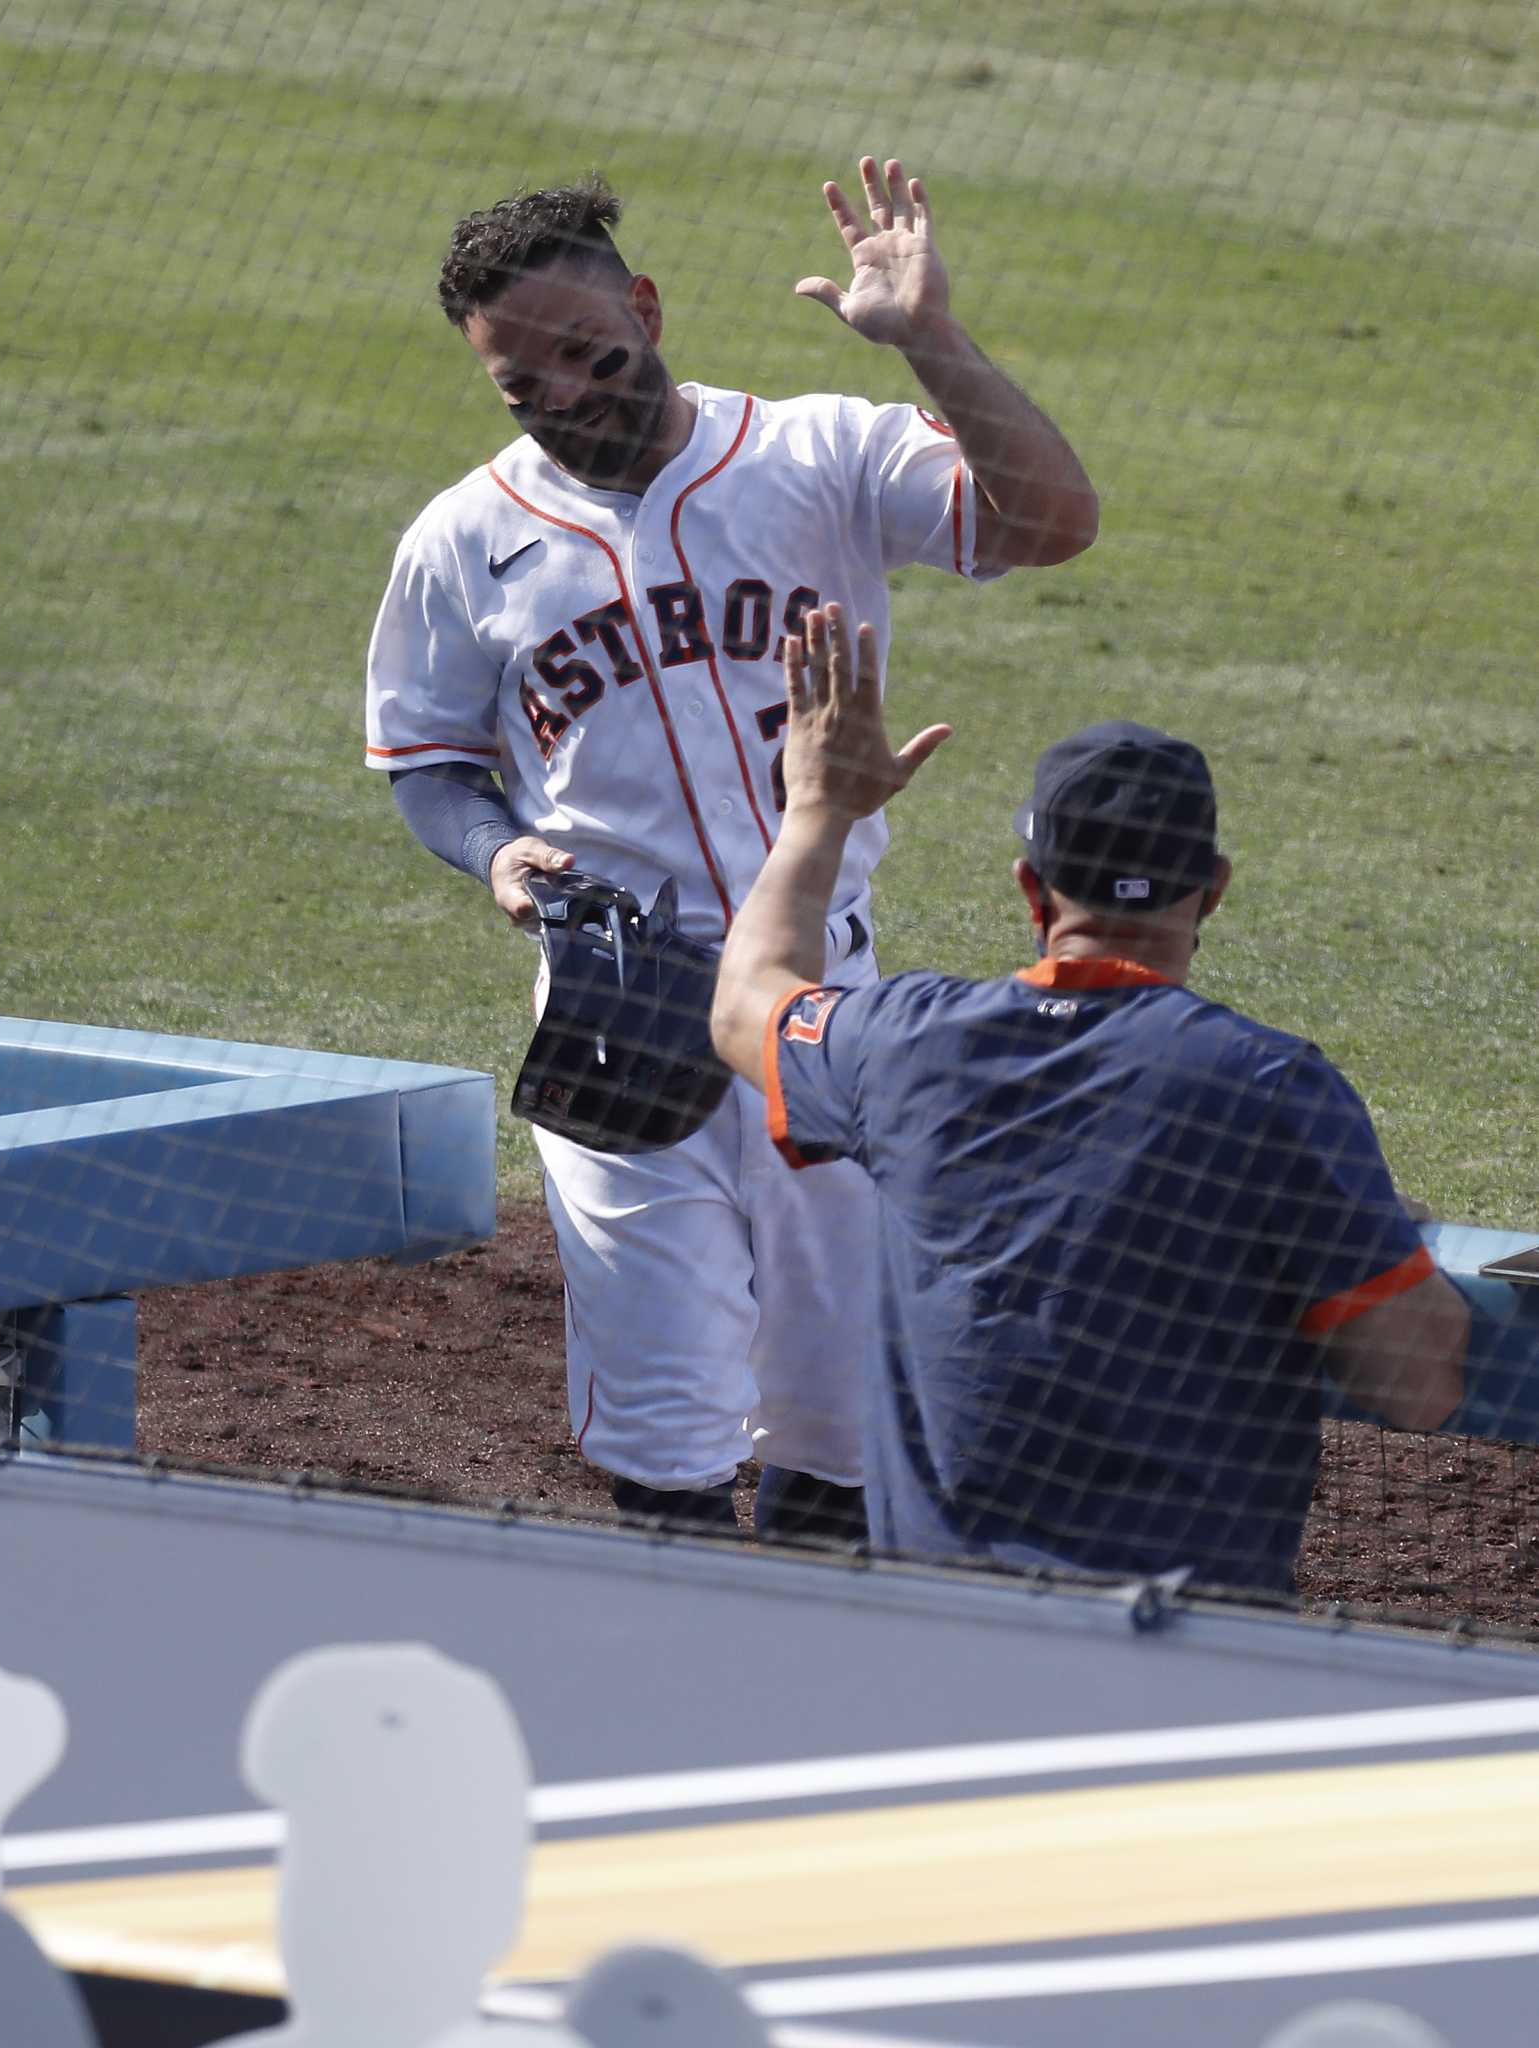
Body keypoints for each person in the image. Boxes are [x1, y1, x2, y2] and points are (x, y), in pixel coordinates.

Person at [365, 159, 1099, 1538]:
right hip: (614, 1010)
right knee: (666, 1436)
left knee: (835, 1429)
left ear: (643, 307)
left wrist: (929, 340)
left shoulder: (816, 453)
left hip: (826, 1005)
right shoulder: (460, 542)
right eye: (525, 390)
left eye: (590, 359)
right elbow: (429, 764)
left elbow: (1050, 524)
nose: (568, 403)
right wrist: (489, 854)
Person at [709, 604, 1469, 1590]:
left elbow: (742, 1004)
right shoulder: (1270, 1091)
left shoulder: (901, 1045)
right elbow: (1415, 1383)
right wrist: (1367, 1228)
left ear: (1032, 889)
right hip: (1176, 1664)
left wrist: (818, 808)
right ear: (1212, 889)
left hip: (940, 1641)